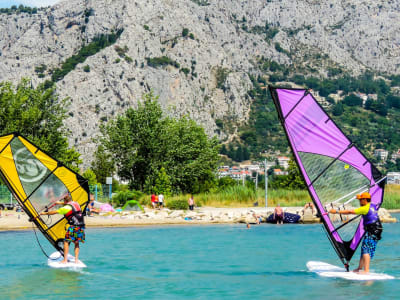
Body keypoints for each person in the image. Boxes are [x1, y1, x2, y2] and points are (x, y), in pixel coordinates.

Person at [328, 192, 382, 274]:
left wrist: (336, 211)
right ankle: (360, 268)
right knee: (364, 249)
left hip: (372, 230)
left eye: (360, 200)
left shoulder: (364, 208)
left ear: (364, 200)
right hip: (377, 229)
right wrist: (359, 197)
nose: (359, 201)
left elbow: (350, 211)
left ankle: (366, 270)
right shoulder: (372, 205)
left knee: (366, 249)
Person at [41, 193, 85, 264]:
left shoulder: (66, 208)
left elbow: (54, 212)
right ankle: (76, 260)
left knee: (66, 242)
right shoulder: (76, 203)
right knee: (76, 243)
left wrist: (44, 213)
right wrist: (59, 203)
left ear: (65, 201)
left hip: (73, 225)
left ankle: (65, 260)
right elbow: (68, 204)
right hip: (80, 225)